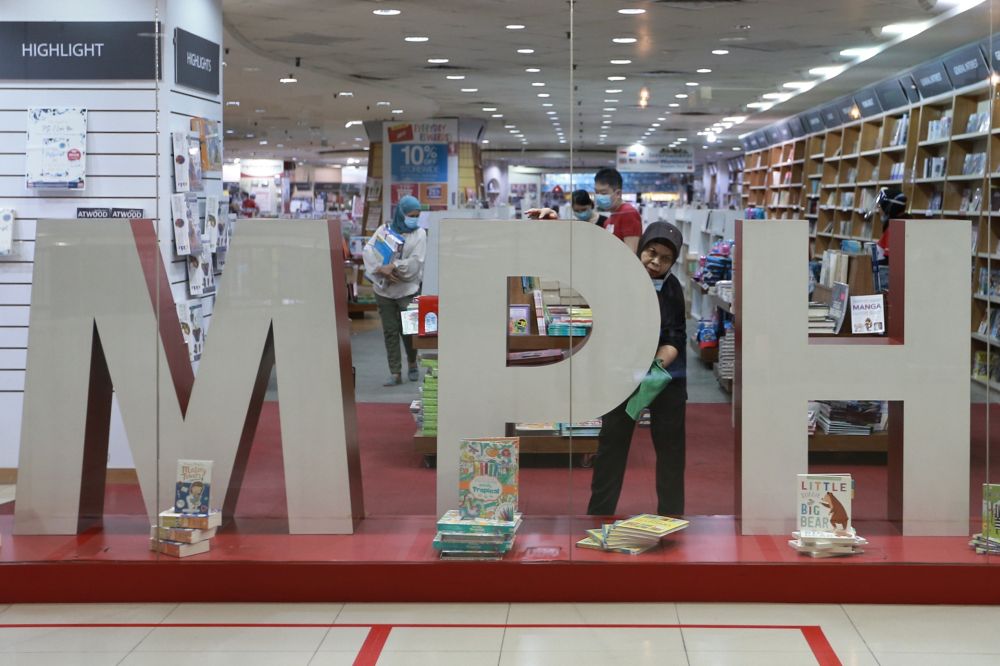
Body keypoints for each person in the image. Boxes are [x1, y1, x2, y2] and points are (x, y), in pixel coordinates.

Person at [588, 221, 687, 517]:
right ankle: (598, 515)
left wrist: (653, 367)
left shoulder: (673, 289)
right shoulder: (620, 281)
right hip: (622, 375)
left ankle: (671, 518)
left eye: (665, 258)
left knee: (670, 453)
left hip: (663, 377)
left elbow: (676, 338)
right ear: (641, 248)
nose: (655, 262)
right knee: (611, 449)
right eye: (651, 253)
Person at [362, 195, 427, 386]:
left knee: (409, 331)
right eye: (411, 215)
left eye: (417, 215)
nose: (414, 219)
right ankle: (395, 372)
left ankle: (412, 363)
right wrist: (380, 269)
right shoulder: (385, 229)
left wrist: (394, 266)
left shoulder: (420, 234)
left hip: (408, 290)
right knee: (390, 331)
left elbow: (416, 262)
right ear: (401, 213)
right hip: (384, 291)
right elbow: (369, 250)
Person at [593, 167, 642, 252]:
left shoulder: (628, 213)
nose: (599, 196)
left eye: (603, 193)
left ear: (618, 193)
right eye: (597, 192)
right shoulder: (609, 220)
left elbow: (631, 253)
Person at [871, 187, 908, 260]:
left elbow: (890, 261)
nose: (879, 210)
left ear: (888, 208)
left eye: (880, 206)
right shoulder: (905, 223)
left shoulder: (895, 229)